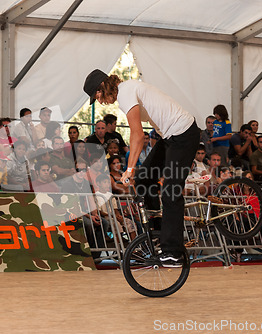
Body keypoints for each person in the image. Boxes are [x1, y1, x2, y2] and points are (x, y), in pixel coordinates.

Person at [84, 68, 200, 267]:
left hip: (184, 134)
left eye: (97, 95)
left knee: (170, 192)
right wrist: (134, 173)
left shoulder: (127, 91)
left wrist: (129, 169)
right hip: (169, 137)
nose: (100, 101)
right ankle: (157, 233)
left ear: (103, 86)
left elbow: (137, 135)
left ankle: (173, 252)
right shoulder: (126, 93)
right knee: (144, 179)